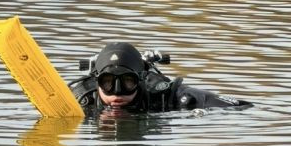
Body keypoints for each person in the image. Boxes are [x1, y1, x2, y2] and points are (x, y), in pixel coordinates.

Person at [70, 41, 252, 116]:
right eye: (108, 82)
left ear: (141, 80)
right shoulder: (79, 97)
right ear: (96, 82)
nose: (117, 93)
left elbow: (242, 106)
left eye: (128, 82)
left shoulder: (165, 95)